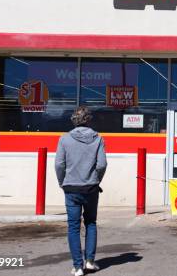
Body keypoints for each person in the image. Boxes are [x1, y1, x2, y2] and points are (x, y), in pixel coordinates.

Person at [55, 106, 107, 276]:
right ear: (89, 119)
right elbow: (101, 165)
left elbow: (59, 164)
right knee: (91, 223)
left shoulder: (64, 140)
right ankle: (90, 261)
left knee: (73, 227)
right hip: (91, 188)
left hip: (71, 188)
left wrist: (62, 182)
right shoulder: (98, 138)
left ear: (73, 120)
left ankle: (78, 267)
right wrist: (96, 179)